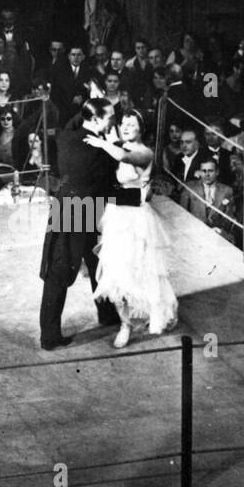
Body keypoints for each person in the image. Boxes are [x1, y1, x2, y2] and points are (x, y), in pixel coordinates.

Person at [84, 111, 179, 348]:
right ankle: (125, 324)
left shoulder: (144, 152)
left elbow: (125, 157)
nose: (126, 127)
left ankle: (152, 313)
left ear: (141, 129)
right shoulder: (114, 146)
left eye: (131, 124)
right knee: (115, 271)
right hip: (116, 215)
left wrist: (102, 142)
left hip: (137, 219)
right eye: (123, 123)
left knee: (142, 269)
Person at [38, 99, 125, 350]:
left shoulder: (66, 136)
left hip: (68, 207)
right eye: (109, 116)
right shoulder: (101, 151)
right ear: (96, 119)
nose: (113, 120)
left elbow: (79, 119)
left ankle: (107, 314)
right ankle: (50, 337)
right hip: (83, 212)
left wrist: (93, 100)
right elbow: (111, 178)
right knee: (62, 270)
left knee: (94, 263)